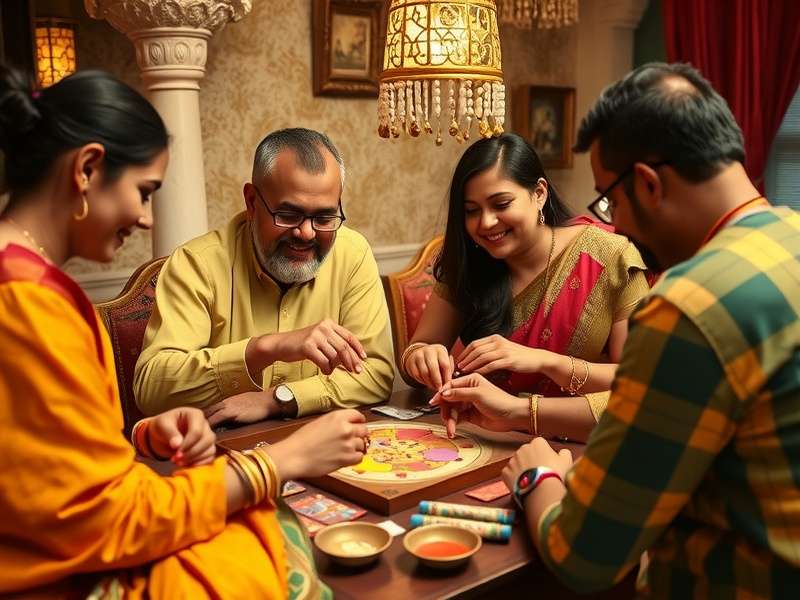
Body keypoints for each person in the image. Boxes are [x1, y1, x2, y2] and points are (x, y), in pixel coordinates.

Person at [0, 66, 369, 599]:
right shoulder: (27, 300)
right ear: (87, 169)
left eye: (325, 217)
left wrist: (144, 435)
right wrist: (280, 462)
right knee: (269, 538)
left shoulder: (29, 283)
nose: (148, 219)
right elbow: (103, 520)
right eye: (144, 192)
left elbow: (48, 462)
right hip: (54, 576)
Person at [437, 63, 800, 596]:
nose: (614, 223)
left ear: (649, 184)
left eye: (610, 199)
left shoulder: (689, 307)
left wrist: (536, 475)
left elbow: (585, 555)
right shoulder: (789, 238)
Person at [134, 127, 394, 426]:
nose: (306, 233)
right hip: (222, 454)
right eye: (288, 215)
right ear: (252, 202)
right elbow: (151, 389)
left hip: (319, 446)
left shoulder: (353, 253)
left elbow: (375, 373)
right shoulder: (198, 264)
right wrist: (264, 349)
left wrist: (279, 399)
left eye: (324, 217)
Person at [403, 133, 649, 441]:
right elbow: (416, 351)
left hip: (582, 443)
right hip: (485, 437)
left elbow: (639, 384)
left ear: (539, 194)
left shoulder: (609, 257)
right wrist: (421, 357)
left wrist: (544, 361)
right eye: (471, 210)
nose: (486, 222)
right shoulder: (468, 263)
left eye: (501, 204)